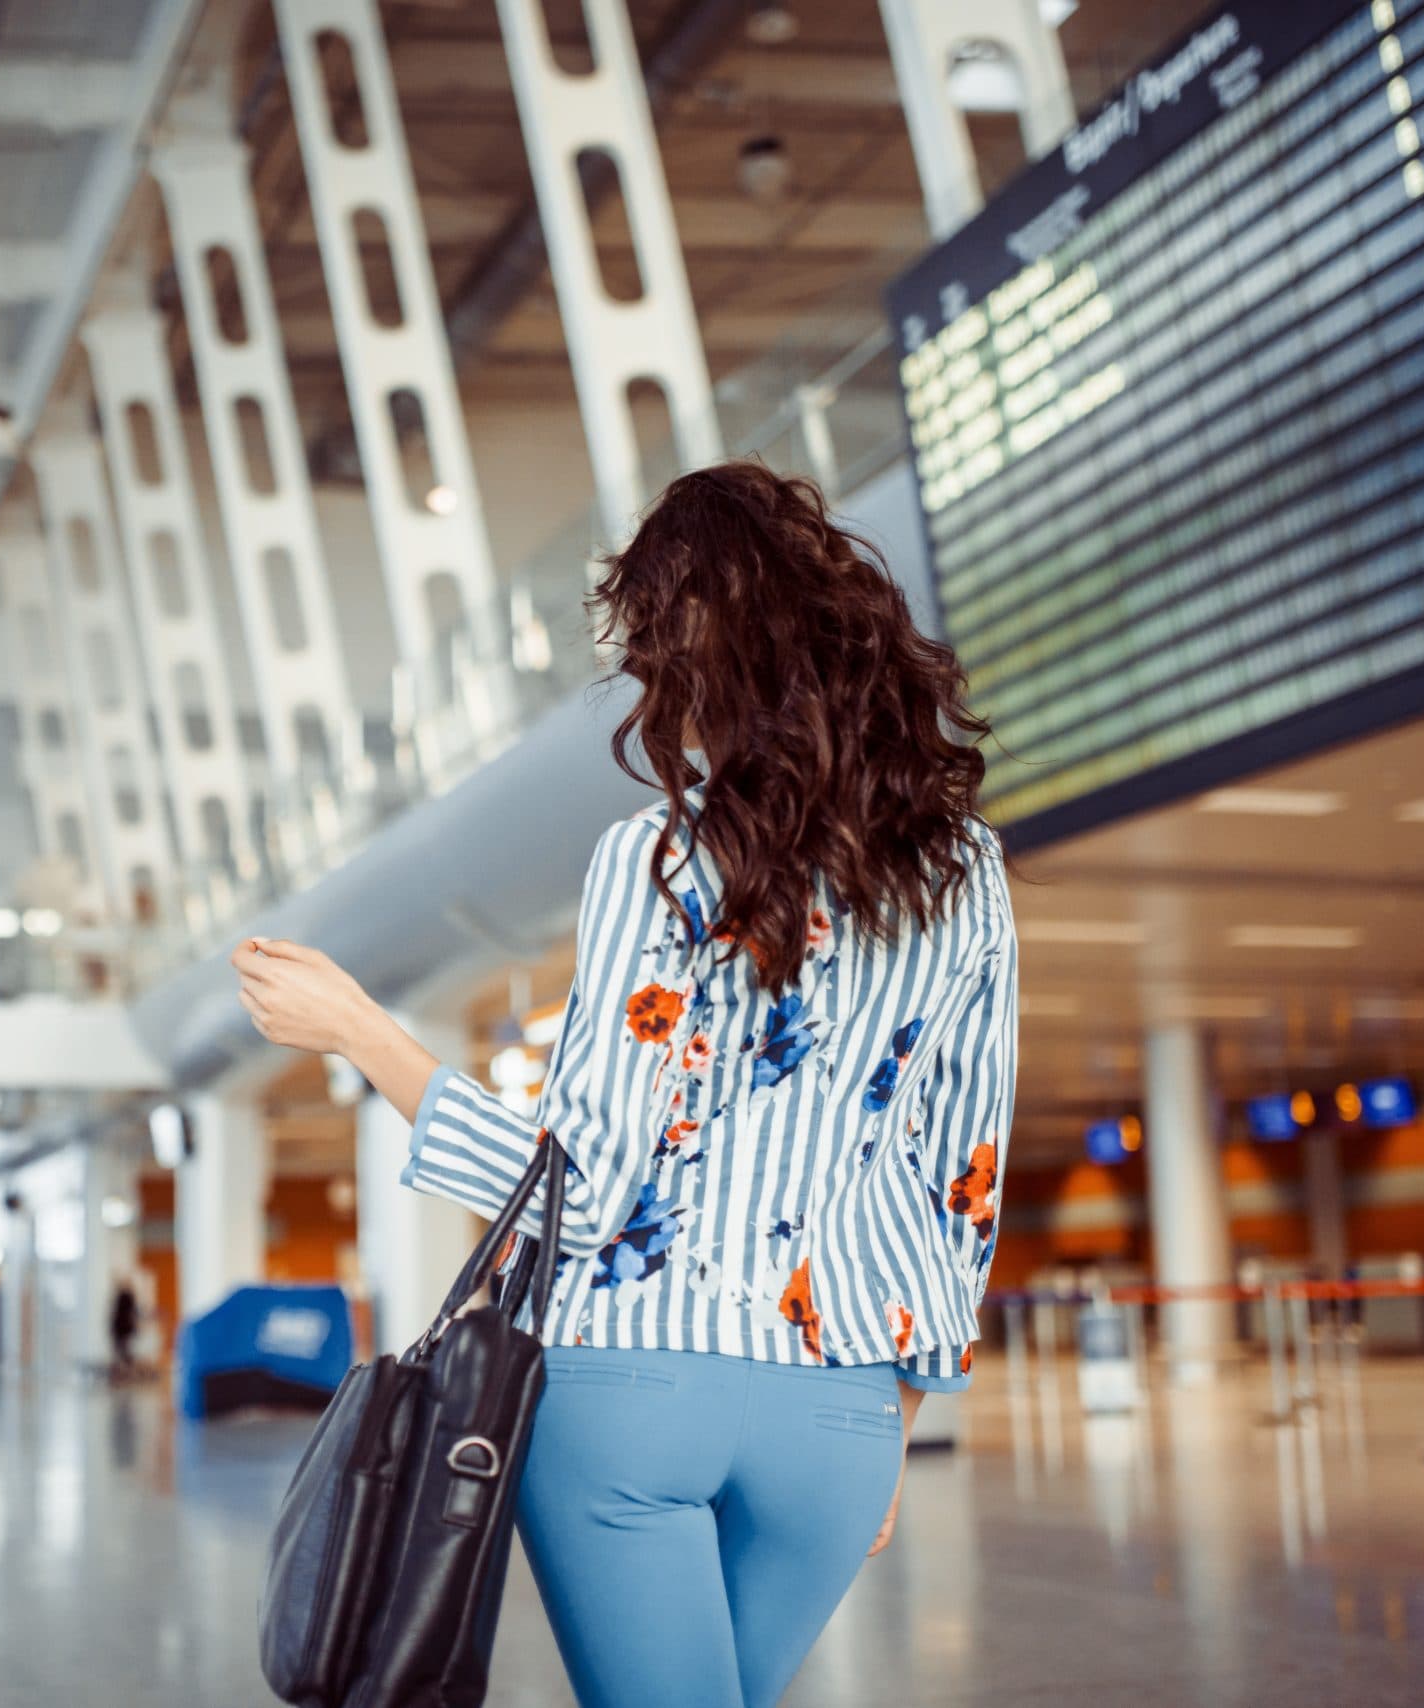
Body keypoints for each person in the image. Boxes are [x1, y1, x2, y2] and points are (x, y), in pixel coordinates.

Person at [233, 463, 1017, 1708]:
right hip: (844, 1415)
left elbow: (578, 1193)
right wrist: (901, 1402)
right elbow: (961, 1170)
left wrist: (360, 1032)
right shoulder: (963, 868)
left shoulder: (655, 855)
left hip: (631, 1392)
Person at [109, 1278, 141, 1380]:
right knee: (121, 1352)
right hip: (120, 1328)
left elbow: (133, 1313)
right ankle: (123, 1373)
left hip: (124, 1329)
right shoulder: (122, 1297)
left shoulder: (128, 1297)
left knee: (124, 1352)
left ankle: (127, 1372)